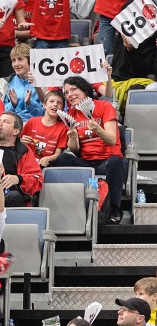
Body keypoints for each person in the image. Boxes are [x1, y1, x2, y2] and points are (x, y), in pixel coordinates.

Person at [52, 76, 127, 224]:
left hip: (108, 161)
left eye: (74, 89)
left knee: (115, 161)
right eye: (66, 92)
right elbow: (76, 151)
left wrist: (98, 129)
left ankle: (113, 210)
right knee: (63, 158)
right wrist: (72, 138)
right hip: (86, 161)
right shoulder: (71, 115)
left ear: (85, 89)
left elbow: (112, 139)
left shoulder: (104, 106)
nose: (70, 94)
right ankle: (72, 208)